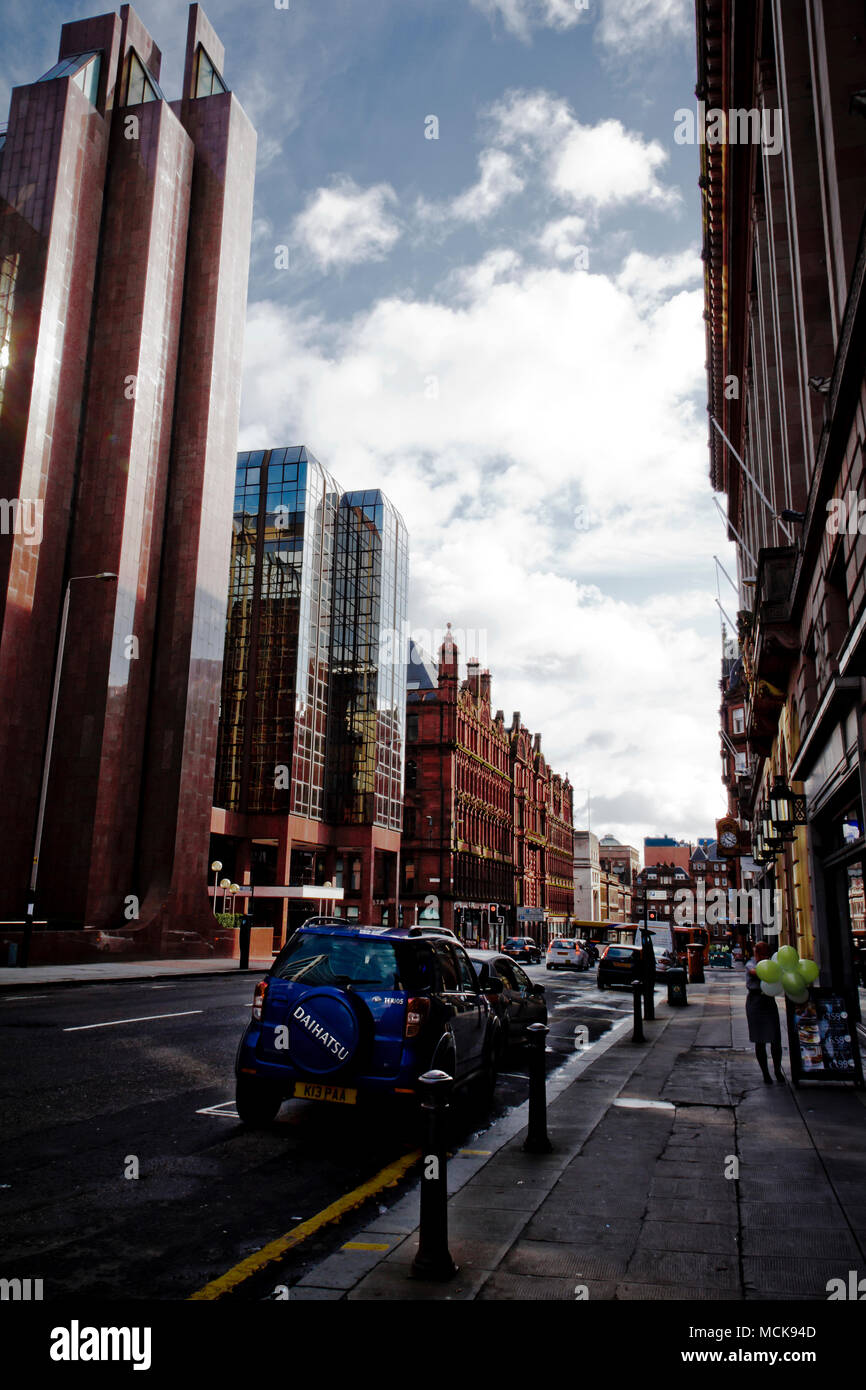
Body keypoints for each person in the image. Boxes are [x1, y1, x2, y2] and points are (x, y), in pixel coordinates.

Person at [745, 941, 784, 1083]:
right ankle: (766, 1074)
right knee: (759, 1040)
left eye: (762, 953)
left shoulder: (771, 964)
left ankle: (777, 1071)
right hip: (755, 1003)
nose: (759, 956)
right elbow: (755, 972)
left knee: (775, 1040)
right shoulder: (751, 964)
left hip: (768, 1002)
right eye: (759, 953)